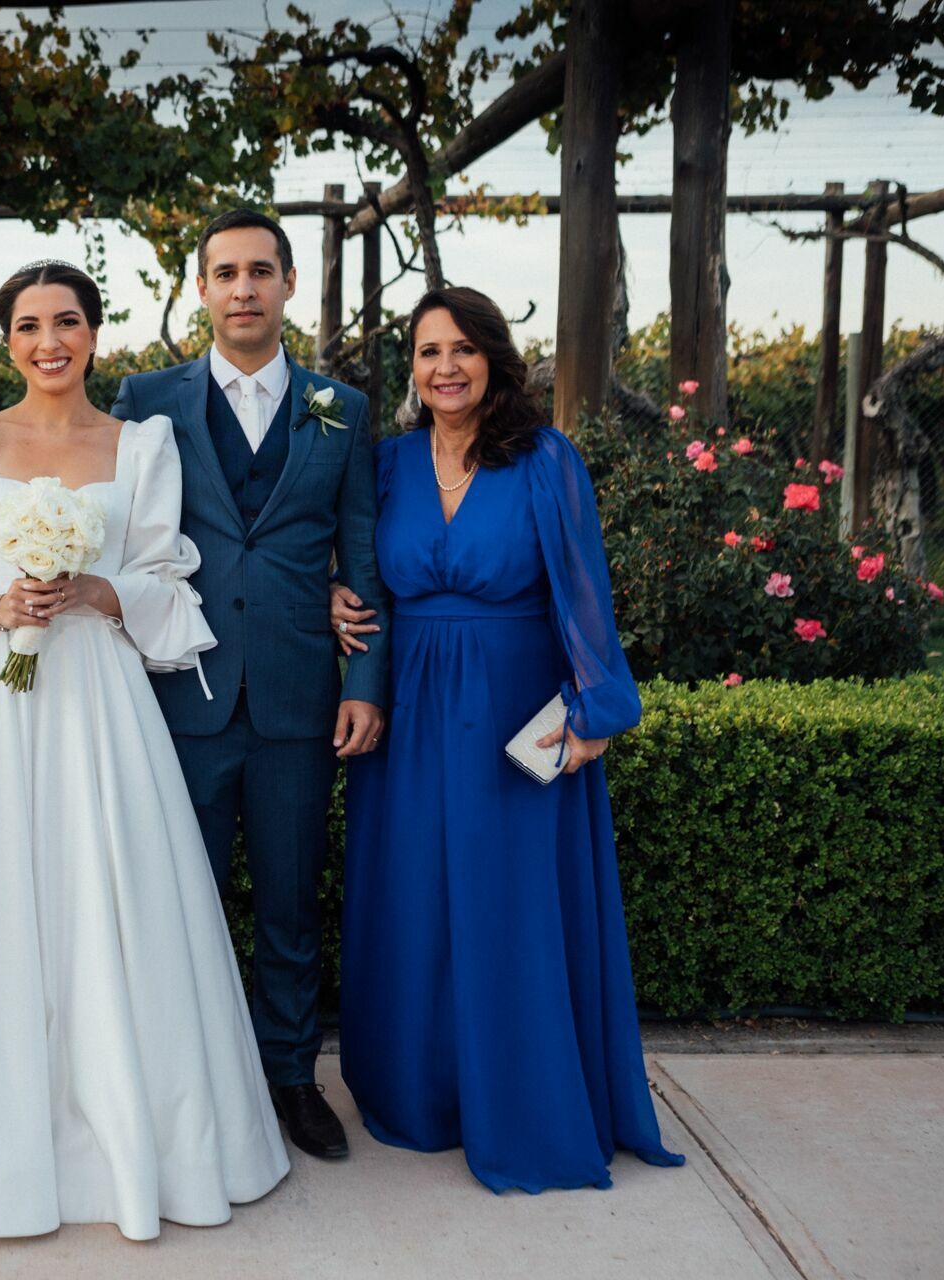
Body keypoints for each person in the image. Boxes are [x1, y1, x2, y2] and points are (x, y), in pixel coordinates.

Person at [0, 261, 289, 1241]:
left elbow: (167, 571)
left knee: (114, 894)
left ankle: (133, 1140)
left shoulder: (143, 444)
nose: (48, 342)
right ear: (7, 338)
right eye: (28, 325)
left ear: (95, 331)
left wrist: (97, 591)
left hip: (100, 697)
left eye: (66, 322)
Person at [329, 285, 684, 1193]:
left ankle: (521, 1101)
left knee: (509, 905)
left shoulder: (544, 459)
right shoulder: (386, 463)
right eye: (428, 351)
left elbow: (583, 588)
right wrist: (334, 595)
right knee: (415, 899)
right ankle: (423, 1094)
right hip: (408, 717)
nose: (445, 367)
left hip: (514, 713)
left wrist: (595, 709)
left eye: (463, 349)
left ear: (494, 359)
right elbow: (360, 568)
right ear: (412, 368)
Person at [110, 210, 387, 1162]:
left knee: (289, 904)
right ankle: (178, 1083)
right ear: (200, 288)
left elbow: (362, 553)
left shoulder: (341, 407)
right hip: (180, 693)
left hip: (297, 699)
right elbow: (116, 534)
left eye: (260, 271)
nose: (243, 288)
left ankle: (290, 1078)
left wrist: (365, 680)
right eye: (225, 272)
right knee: (173, 902)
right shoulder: (146, 399)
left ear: (288, 283)